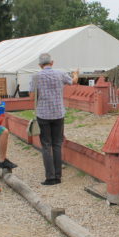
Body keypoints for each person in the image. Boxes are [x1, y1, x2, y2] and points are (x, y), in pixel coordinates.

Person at [32, 53, 78, 185]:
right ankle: (58, 176)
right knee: (57, 144)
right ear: (52, 62)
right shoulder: (60, 74)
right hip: (58, 113)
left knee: (46, 145)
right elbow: (73, 82)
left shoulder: (36, 76)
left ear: (40, 65)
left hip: (43, 114)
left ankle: (50, 177)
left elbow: (31, 95)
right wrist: (75, 73)